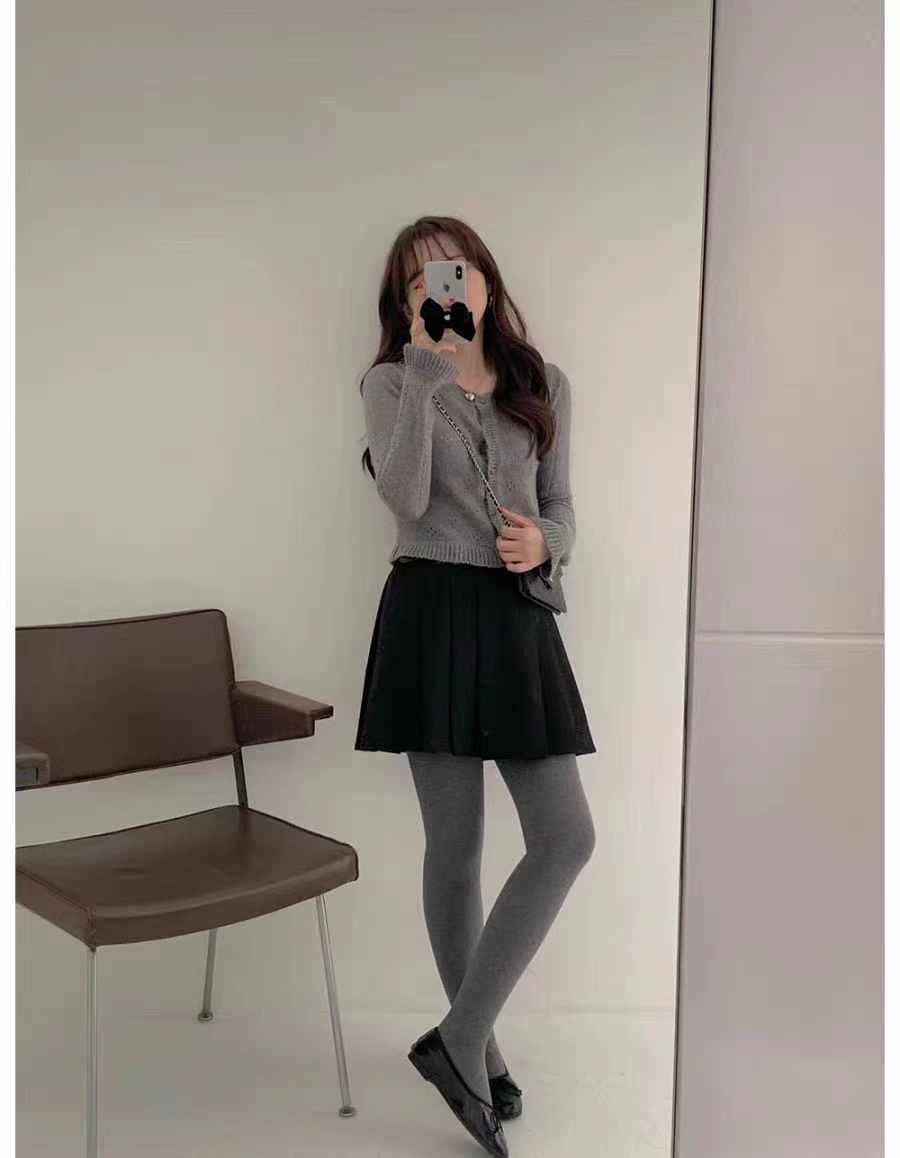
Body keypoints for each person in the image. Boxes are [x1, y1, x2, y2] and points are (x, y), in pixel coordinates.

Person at [355, 216, 596, 1157]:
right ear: (404, 301)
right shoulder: (391, 382)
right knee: (454, 848)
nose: (441, 289)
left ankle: (455, 1040)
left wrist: (548, 540)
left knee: (565, 837)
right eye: (419, 281)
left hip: (516, 617)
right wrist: (425, 368)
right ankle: (478, 1051)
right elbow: (406, 498)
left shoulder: (543, 383)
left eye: (452, 271)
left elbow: (562, 504)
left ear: (485, 279)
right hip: (429, 615)